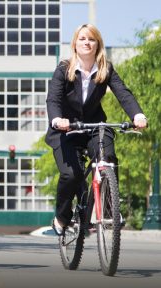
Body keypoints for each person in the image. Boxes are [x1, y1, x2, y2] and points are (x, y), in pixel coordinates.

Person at [45, 24, 147, 235]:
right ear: (75, 43)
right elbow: (53, 99)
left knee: (107, 157)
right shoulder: (64, 68)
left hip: (94, 127)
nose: (87, 43)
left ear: (97, 44)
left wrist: (137, 115)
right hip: (67, 129)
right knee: (72, 175)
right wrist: (57, 119)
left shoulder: (105, 69)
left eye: (91, 39)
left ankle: (110, 210)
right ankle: (62, 217)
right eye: (82, 39)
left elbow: (123, 93)